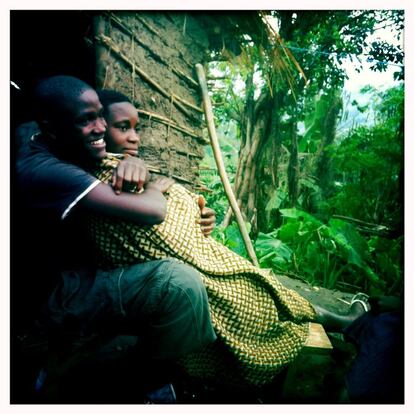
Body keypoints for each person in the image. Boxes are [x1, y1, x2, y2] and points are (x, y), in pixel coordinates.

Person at [79, 88, 370, 389]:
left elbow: (167, 218)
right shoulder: (98, 181)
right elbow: (167, 235)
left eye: (136, 128)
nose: (135, 138)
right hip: (178, 271)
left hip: (190, 261)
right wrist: (176, 203)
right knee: (255, 296)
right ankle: (336, 321)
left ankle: (336, 319)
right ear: (98, 128)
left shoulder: (126, 172)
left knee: (263, 285)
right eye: (122, 127)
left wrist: (194, 210)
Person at [14, 76, 217, 402]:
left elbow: (128, 170)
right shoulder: (46, 169)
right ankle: (140, 385)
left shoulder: (44, 137)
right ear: (52, 127)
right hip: (53, 295)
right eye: (86, 120)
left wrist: (194, 217)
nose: (99, 129)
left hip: (75, 275)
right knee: (180, 283)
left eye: (100, 118)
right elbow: (152, 211)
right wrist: (152, 187)